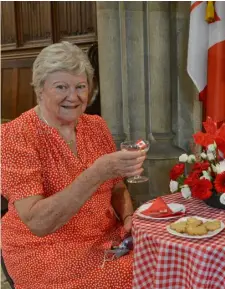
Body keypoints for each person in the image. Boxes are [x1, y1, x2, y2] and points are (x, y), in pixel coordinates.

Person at [1, 41, 146, 289]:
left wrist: (128, 217)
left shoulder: (96, 125)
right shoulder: (16, 136)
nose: (74, 96)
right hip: (46, 249)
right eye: (61, 87)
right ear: (40, 90)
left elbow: (117, 187)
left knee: (161, 260)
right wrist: (96, 173)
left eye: (81, 86)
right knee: (126, 277)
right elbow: (38, 224)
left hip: (105, 237)